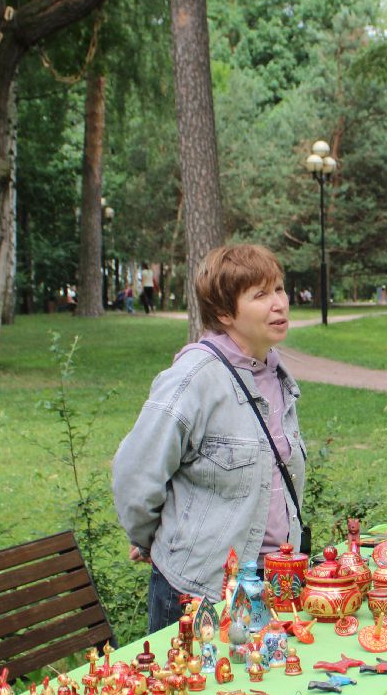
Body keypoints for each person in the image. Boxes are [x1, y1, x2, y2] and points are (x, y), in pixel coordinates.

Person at [112, 244, 306, 633]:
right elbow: (135, 476)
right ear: (223, 313)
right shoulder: (194, 378)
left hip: (273, 585)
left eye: (280, 289)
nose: (279, 304)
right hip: (200, 594)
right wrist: (157, 540)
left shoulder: (276, 374)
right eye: (260, 295)